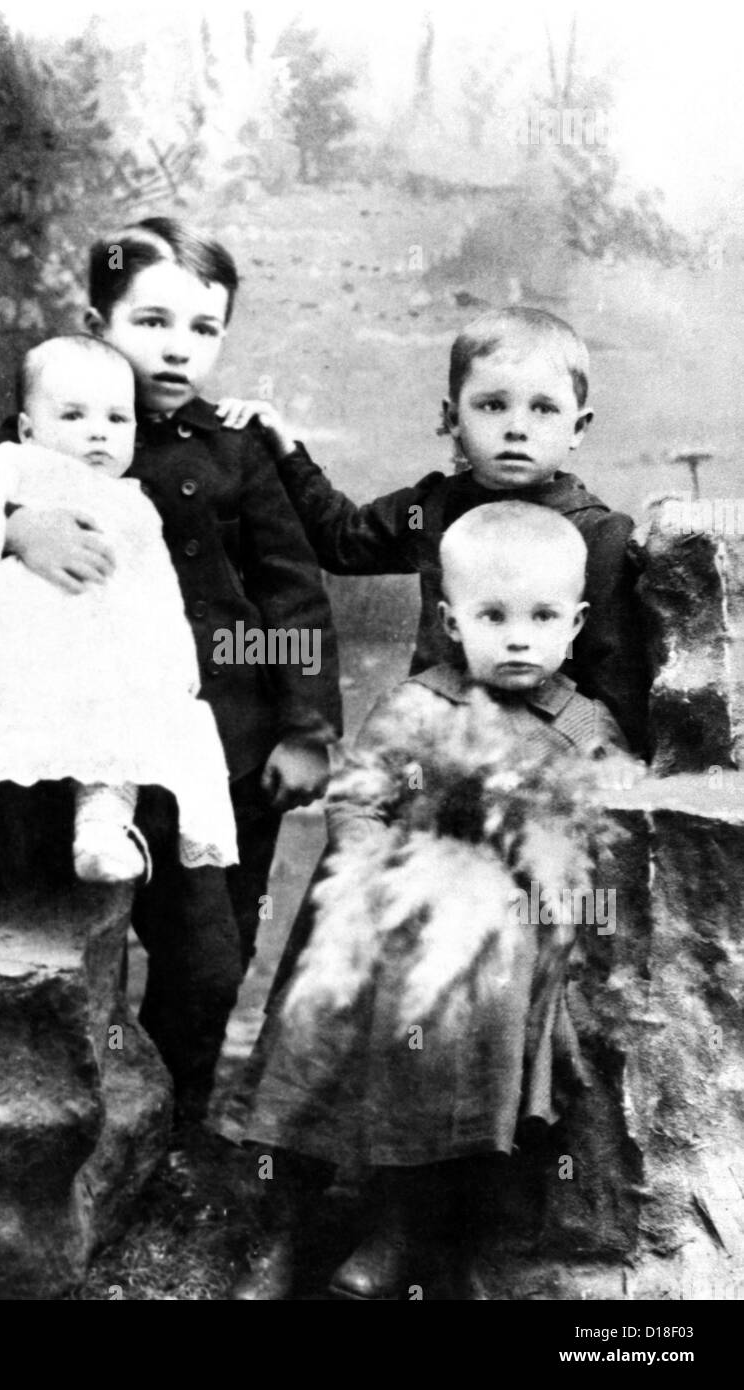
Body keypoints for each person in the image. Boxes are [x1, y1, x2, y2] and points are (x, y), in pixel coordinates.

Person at [0, 218, 342, 1129]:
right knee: (64, 930)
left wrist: (305, 731)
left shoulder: (235, 449)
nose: (178, 348)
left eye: (203, 329)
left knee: (209, 961)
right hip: (72, 731)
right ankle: (72, 1124)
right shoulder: (54, 422)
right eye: (151, 322)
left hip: (207, 744)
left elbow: (293, 593)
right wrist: (18, 525)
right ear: (98, 322)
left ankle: (176, 1126)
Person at [226, 502, 635, 1300]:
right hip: (391, 910)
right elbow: (357, 800)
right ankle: (284, 1224)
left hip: (498, 934)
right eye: (493, 616)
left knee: (463, 1027)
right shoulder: (417, 704)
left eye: (542, 617)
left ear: (577, 622)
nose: (518, 637)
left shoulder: (584, 726)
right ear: (451, 622)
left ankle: (403, 1224)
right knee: (316, 1017)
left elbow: (601, 836)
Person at [0, 334, 237, 895]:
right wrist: (3, 530)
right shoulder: (12, 464)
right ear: (28, 429)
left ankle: (103, 828)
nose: (98, 432)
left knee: (126, 714)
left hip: (93, 656)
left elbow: (157, 591)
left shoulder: (138, 503)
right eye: (73, 416)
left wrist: (172, 664)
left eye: (117, 419)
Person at [217, 305, 648, 753]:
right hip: (439, 741)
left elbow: (617, 681)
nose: (517, 428)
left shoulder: (598, 534)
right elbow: (342, 541)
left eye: (543, 409)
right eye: (492, 405)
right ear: (453, 418)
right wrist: (284, 450)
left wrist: (617, 769)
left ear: (578, 426)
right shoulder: (432, 509)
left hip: (546, 752)